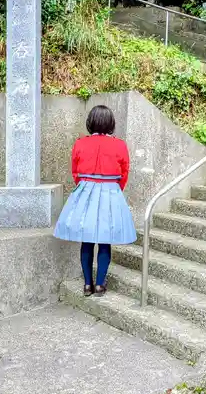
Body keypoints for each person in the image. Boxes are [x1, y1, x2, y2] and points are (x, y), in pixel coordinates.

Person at [53, 105, 136, 297]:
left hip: (85, 190)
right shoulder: (120, 145)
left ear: (90, 122)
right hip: (110, 191)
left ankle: (87, 285)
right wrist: (115, 189)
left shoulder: (80, 143)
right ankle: (100, 285)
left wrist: (85, 186)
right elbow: (124, 172)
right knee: (105, 240)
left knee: (87, 239)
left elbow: (75, 170)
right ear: (111, 123)